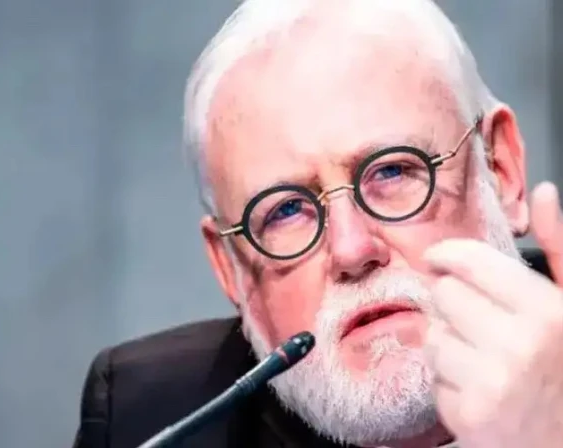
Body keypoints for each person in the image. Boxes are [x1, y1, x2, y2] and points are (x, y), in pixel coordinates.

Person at [73, 0, 563, 447]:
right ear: (229, 268)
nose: (351, 249)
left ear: (500, 170)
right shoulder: (151, 416)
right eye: (286, 210)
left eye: (391, 171)